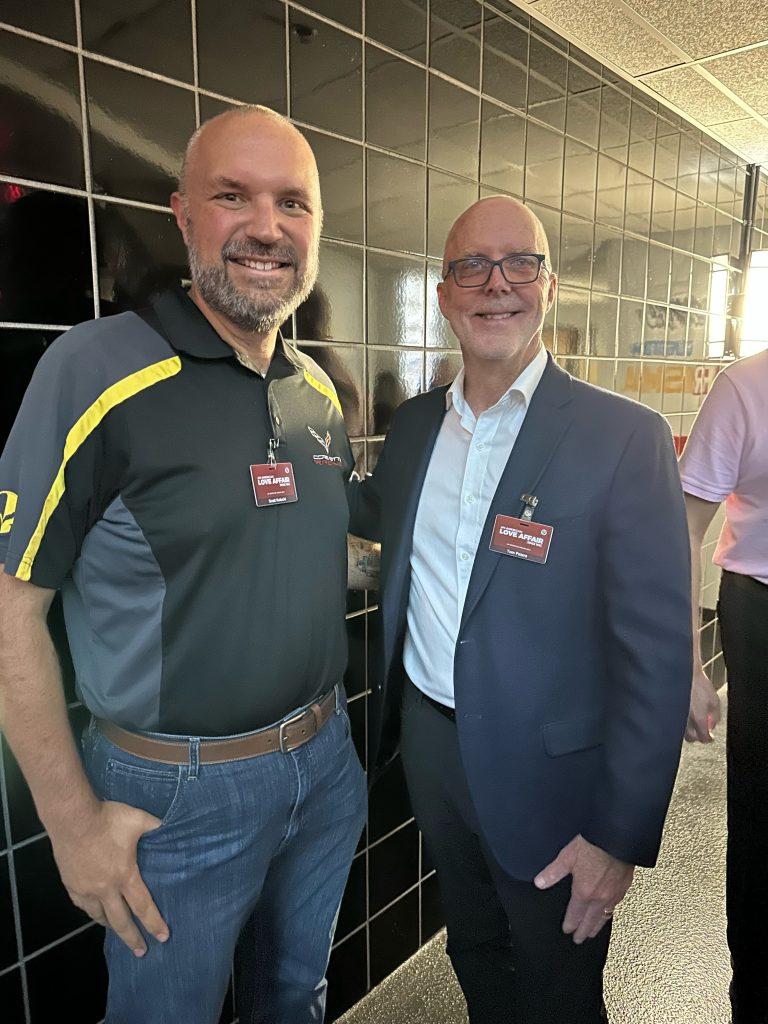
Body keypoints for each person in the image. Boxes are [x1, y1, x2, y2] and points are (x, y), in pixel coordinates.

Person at [0, 106, 367, 1024]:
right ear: (182, 216)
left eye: (294, 203)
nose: (266, 226)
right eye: (232, 196)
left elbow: (299, 557)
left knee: (297, 997)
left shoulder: (316, 390)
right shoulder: (95, 369)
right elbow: (9, 606)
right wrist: (74, 827)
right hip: (175, 798)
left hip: (324, 764)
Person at [349, 196, 692, 1024]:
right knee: (473, 950)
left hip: (555, 777)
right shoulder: (417, 427)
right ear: (443, 294)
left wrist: (619, 837)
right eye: (472, 266)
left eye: (520, 264)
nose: (496, 284)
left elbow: (657, 655)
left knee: (559, 987)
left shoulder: (623, 437)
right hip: (433, 748)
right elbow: (371, 514)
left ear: (549, 285)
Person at [678, 348, 768, 1024]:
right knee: (763, 817)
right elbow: (685, 528)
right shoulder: (747, 386)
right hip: (761, 610)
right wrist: (687, 663)